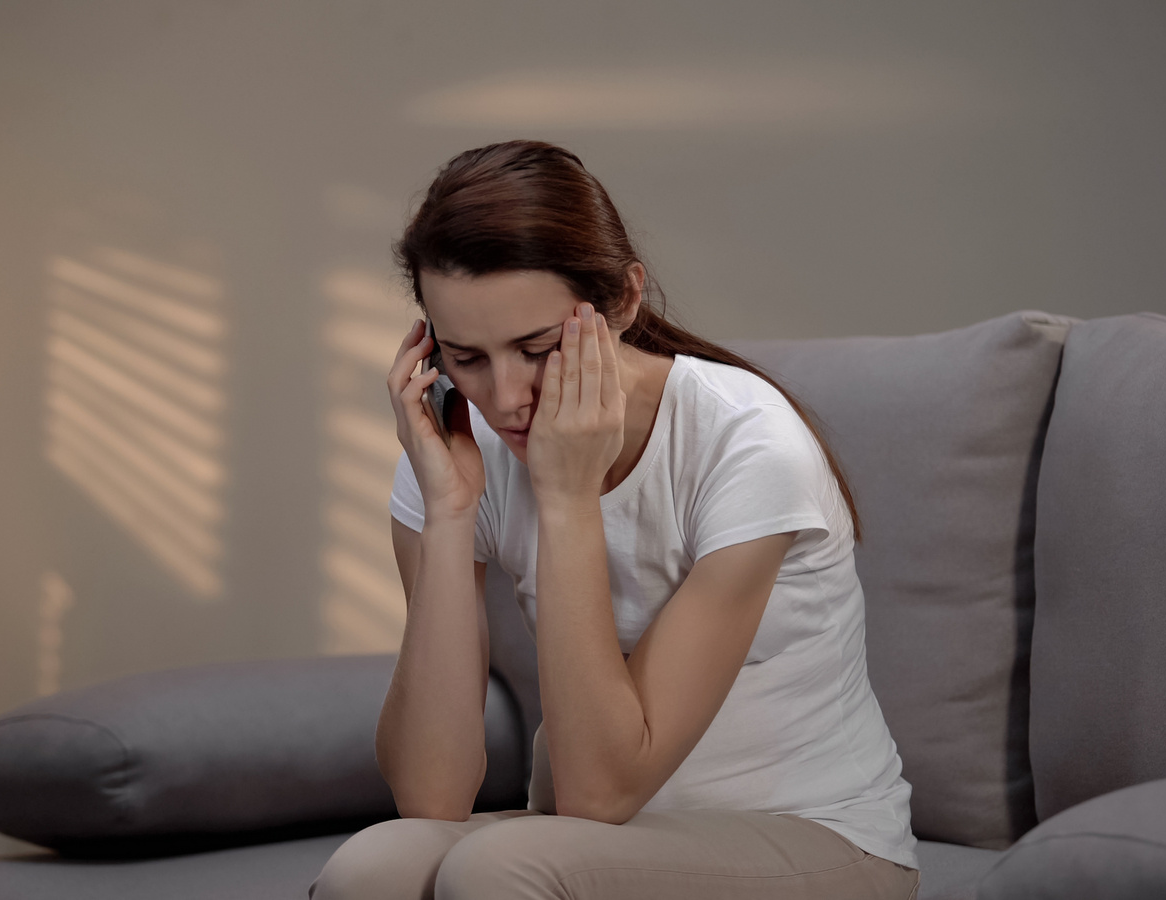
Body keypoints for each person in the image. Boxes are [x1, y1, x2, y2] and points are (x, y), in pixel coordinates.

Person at [309, 140, 919, 900]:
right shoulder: (459, 449)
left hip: (816, 838)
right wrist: (447, 513)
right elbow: (430, 797)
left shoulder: (748, 444)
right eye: (466, 358)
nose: (505, 400)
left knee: (500, 868)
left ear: (624, 301)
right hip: (599, 847)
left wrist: (567, 498)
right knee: (369, 869)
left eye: (536, 350)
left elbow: (598, 793)